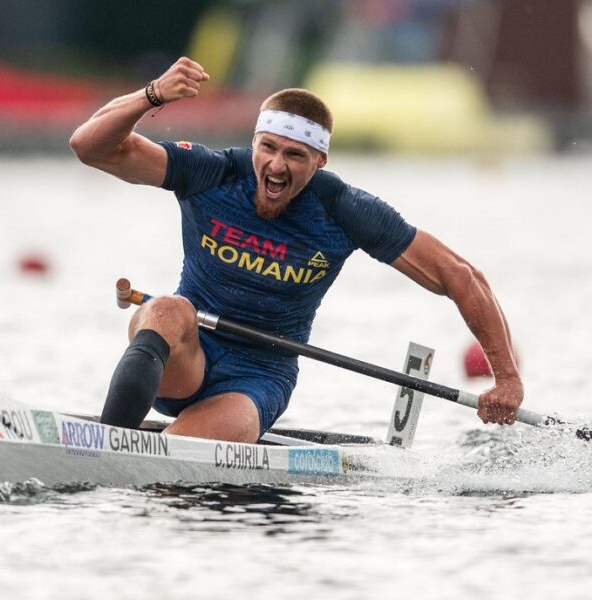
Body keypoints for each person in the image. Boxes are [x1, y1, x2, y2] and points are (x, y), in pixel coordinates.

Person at [69, 56, 523, 443]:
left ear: (320, 160)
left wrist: (506, 380)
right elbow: (89, 146)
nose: (276, 165)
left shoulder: (344, 208)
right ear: (254, 143)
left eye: (295, 155)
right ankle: (112, 443)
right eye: (268, 148)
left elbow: (460, 276)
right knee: (166, 309)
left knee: (180, 462)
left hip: (258, 378)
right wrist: (154, 95)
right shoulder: (212, 173)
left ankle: (141, 451)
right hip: (188, 352)